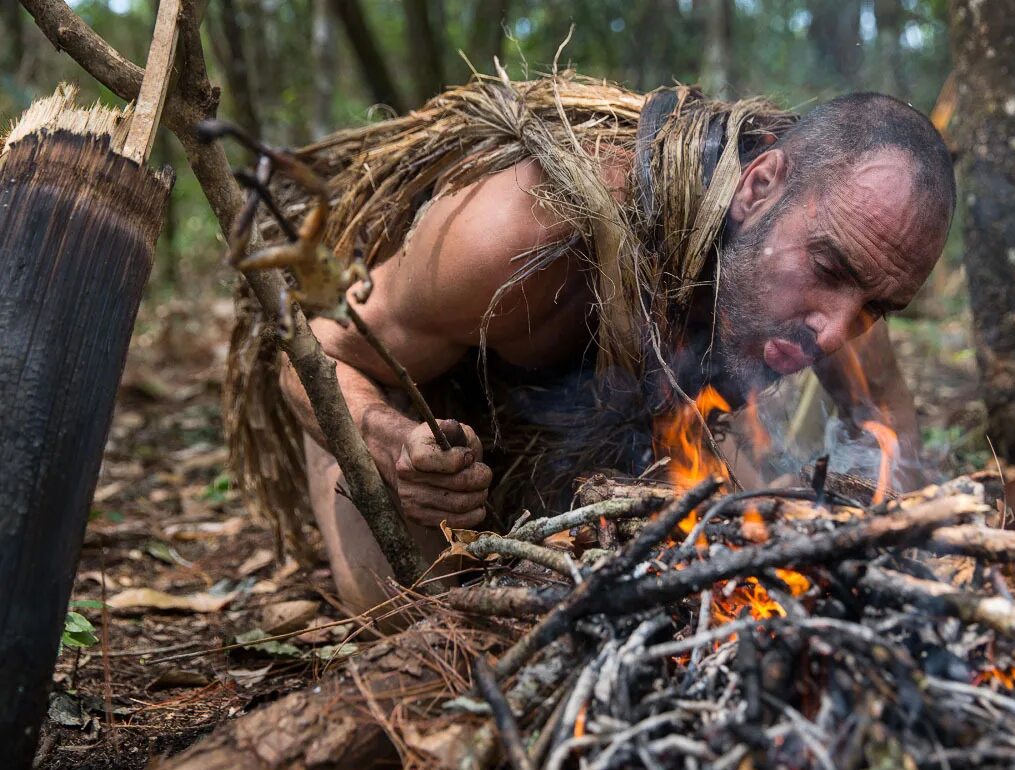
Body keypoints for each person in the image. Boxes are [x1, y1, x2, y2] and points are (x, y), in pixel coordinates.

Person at [248, 80, 954, 613]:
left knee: (731, 578)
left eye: (879, 308)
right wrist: (391, 444)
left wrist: (903, 554)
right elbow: (315, 354)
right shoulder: (525, 234)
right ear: (760, 185)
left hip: (618, 419)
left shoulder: (849, 276)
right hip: (425, 406)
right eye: (828, 271)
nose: (835, 333)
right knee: (418, 621)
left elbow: (886, 424)